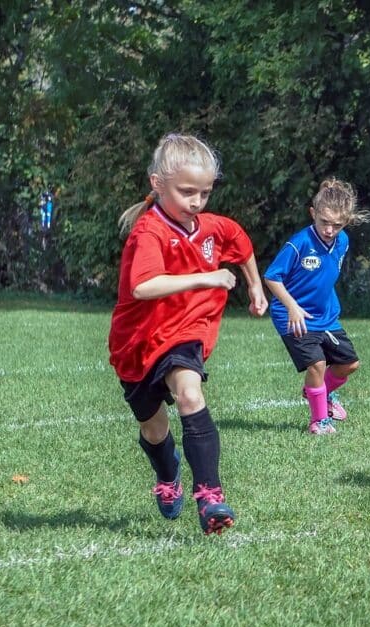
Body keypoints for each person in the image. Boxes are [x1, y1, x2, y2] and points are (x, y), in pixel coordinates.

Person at [109, 133, 268, 535]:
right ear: (156, 184)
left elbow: (241, 242)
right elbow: (143, 287)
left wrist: (255, 287)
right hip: (136, 343)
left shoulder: (211, 227)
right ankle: (167, 474)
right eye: (186, 192)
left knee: (190, 394)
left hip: (183, 334)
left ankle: (210, 496)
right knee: (154, 427)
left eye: (205, 192)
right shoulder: (150, 233)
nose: (196, 201)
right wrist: (206, 278)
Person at [264, 178, 370, 435]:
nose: (330, 230)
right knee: (317, 365)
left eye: (337, 224)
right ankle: (319, 421)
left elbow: (326, 274)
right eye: (324, 222)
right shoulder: (299, 243)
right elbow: (271, 277)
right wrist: (291, 306)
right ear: (313, 213)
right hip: (293, 316)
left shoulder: (342, 241)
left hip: (326, 316)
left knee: (350, 364)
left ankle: (319, 392)